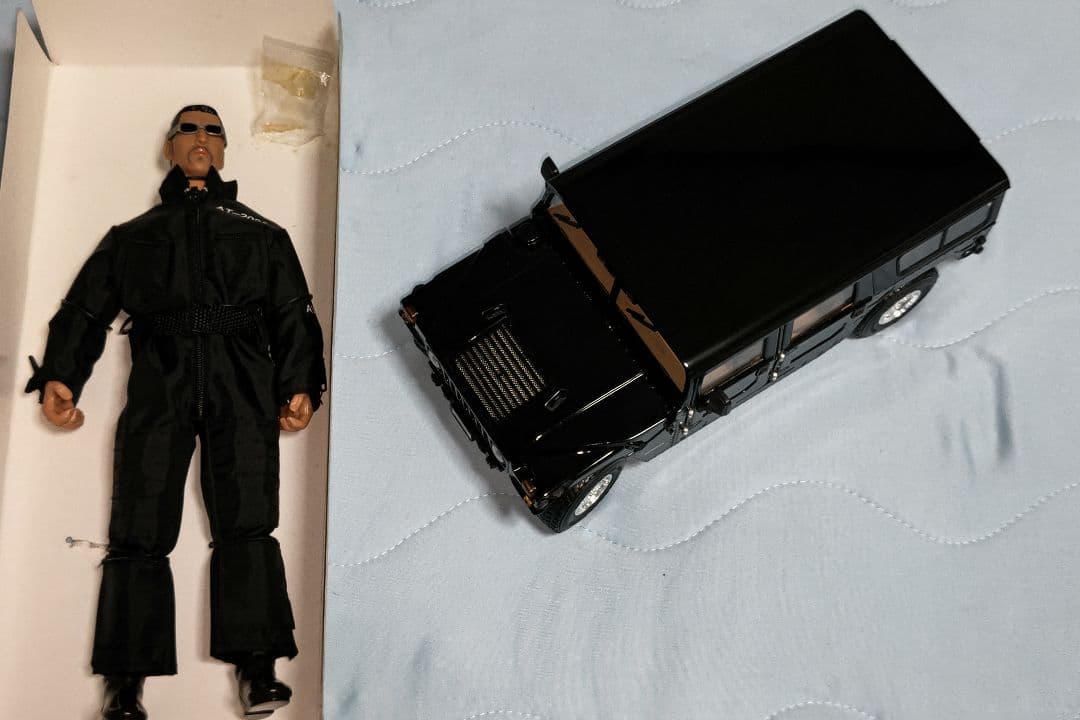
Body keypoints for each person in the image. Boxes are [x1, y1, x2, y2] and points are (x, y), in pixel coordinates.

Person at [25, 104, 327, 719]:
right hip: (159, 384)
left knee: (248, 518)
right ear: (169, 148)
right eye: (188, 129)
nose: (201, 138)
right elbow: (85, 309)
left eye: (213, 130)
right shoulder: (134, 236)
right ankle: (125, 682)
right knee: (137, 523)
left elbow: (294, 313)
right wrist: (62, 374)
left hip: (242, 383)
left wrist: (300, 384)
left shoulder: (262, 234)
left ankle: (257, 667)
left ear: (225, 150)